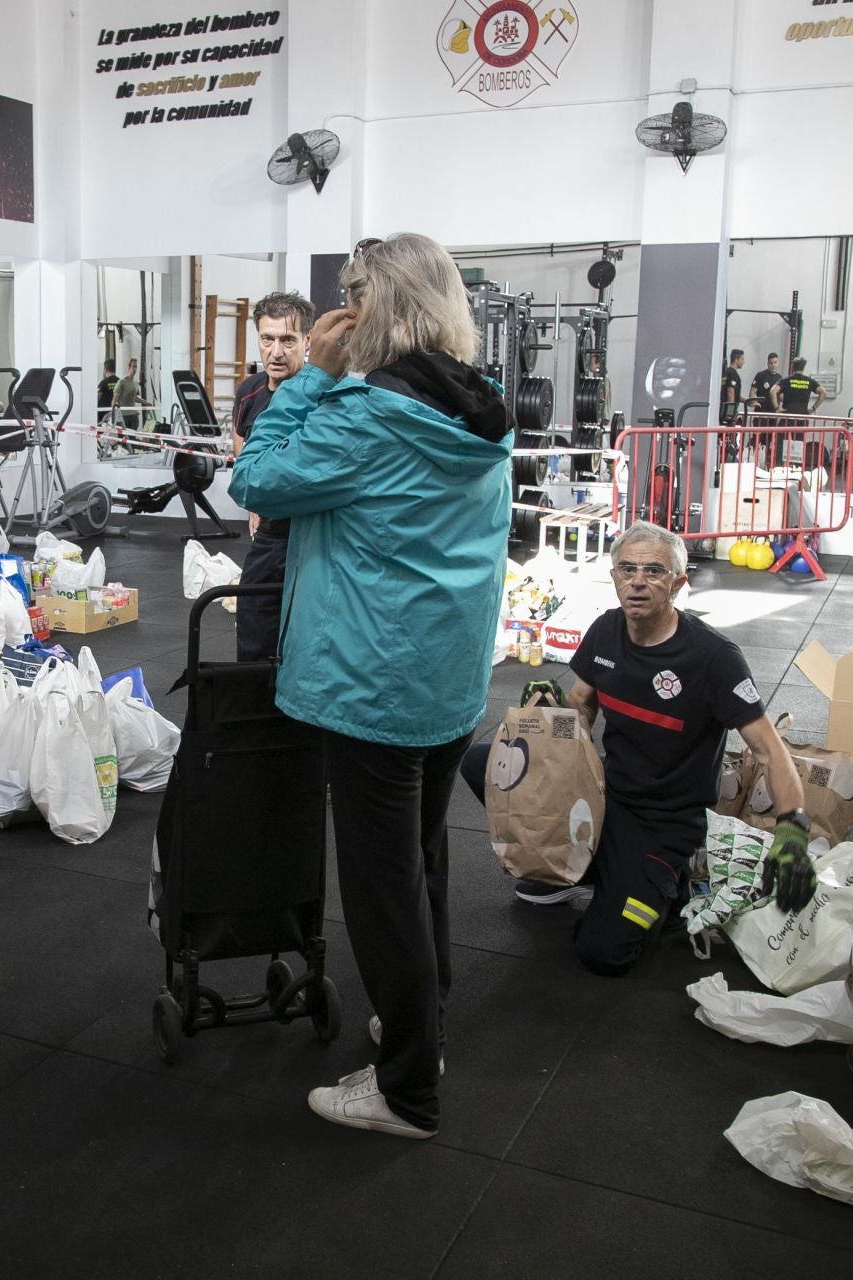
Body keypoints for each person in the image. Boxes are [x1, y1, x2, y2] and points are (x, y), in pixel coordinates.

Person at [231, 233, 514, 1140]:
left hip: (371, 688)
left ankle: (406, 1092)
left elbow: (257, 481)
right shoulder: (479, 408)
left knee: (382, 887)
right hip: (444, 684)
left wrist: (304, 378)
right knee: (421, 862)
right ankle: (417, 1024)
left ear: (367, 310)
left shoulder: (364, 415)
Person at [465, 522, 817, 974]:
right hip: (603, 792)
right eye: (627, 569)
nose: (637, 581)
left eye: (654, 571)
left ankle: (665, 887)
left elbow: (768, 748)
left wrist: (793, 829)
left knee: (605, 954)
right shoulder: (606, 631)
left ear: (679, 583)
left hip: (664, 821)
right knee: (485, 761)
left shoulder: (713, 658)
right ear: (613, 576)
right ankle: (573, 873)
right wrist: (552, 716)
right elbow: (580, 704)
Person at [230, 291, 313, 660]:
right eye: (268, 339)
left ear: (308, 341)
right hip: (270, 535)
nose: (276, 352)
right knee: (254, 631)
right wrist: (254, 498)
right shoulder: (249, 391)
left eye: (287, 340)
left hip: (313, 534)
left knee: (306, 639)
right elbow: (242, 449)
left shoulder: (320, 395)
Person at [112, 356, 143, 432]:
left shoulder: (135, 383)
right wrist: (113, 416)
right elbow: (114, 401)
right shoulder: (122, 382)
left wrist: (146, 403)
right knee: (123, 438)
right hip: (123, 415)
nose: (135, 369)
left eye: (136, 367)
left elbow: (135, 398)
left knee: (133, 437)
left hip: (133, 414)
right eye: (133, 366)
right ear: (129, 367)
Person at [720, 349, 744, 424]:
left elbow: (735, 394)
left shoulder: (726, 372)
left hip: (722, 409)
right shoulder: (733, 374)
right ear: (736, 359)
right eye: (742, 359)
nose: (743, 362)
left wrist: (746, 401)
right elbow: (730, 393)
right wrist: (730, 414)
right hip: (727, 413)